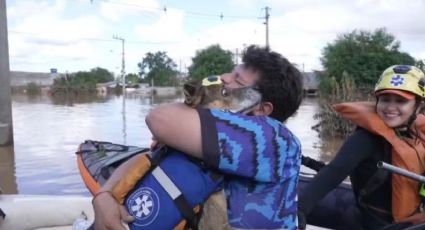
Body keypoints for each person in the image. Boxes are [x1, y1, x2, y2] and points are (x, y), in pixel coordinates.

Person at [92, 45, 304, 229]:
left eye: (237, 80)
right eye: (231, 72)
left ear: (262, 109)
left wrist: (188, 112)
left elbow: (158, 119)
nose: (224, 78)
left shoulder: (271, 137)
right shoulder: (221, 134)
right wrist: (105, 195)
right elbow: (149, 156)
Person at [298, 65, 425, 230]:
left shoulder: (416, 135)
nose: (390, 107)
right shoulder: (365, 139)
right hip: (379, 225)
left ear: (418, 107)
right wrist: (300, 209)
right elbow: (334, 172)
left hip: (414, 218)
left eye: (401, 101)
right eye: (385, 99)